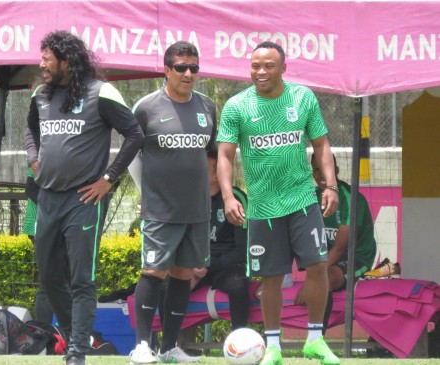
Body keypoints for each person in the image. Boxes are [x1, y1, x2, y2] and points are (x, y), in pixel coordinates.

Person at [216, 41, 340, 365]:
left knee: (317, 265)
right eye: (255, 65)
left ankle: (315, 340)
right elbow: (225, 155)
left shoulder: (302, 98)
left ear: (283, 68)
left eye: (268, 65)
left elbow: (321, 145)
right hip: (262, 208)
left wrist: (330, 186)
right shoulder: (237, 106)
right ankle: (273, 347)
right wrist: (229, 196)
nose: (260, 72)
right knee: (269, 278)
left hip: (302, 200)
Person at [24, 30, 144, 365]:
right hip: (47, 198)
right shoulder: (40, 94)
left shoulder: (101, 92)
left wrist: (108, 179)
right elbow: (29, 129)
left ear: (66, 60)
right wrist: (34, 159)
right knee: (49, 276)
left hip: (84, 200)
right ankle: (77, 334)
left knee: (81, 278)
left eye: (47, 59)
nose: (41, 64)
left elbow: (135, 134)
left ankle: (77, 352)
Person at [127, 40, 217, 364]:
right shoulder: (147, 107)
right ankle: (141, 346)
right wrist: (145, 194)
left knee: (182, 275)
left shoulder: (207, 107)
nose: (188, 73)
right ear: (167, 70)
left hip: (197, 211)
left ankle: (169, 349)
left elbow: (211, 156)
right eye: (181, 67)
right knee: (153, 272)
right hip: (160, 212)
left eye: (194, 67)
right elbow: (129, 155)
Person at [296, 154, 378, 331]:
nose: (321, 174)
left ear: (336, 171)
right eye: (316, 170)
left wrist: (311, 279)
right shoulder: (312, 197)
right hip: (328, 257)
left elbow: (340, 248)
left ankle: (318, 337)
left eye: (326, 168)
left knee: (323, 279)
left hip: (357, 258)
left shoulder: (350, 198)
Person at [188, 147, 250, 330]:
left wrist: (208, 267)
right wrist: (191, 268)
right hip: (197, 266)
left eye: (202, 167)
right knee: (166, 287)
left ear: (217, 175)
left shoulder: (236, 199)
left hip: (225, 267)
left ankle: (240, 341)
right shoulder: (191, 198)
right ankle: (171, 345)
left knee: (238, 285)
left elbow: (242, 250)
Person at [21, 164, 55, 325]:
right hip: (41, 227)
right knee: (47, 284)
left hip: (64, 227)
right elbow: (31, 188)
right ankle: (46, 334)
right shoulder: (41, 152)